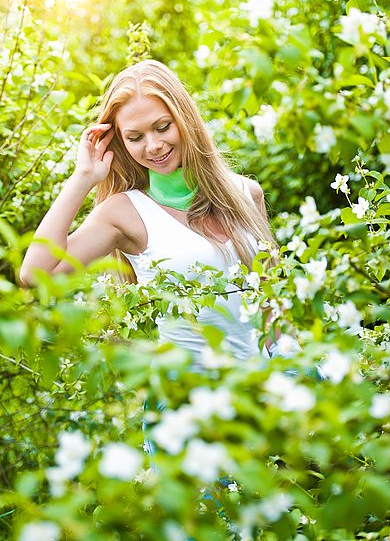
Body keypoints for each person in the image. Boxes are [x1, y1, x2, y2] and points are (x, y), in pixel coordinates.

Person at [20, 60, 282, 455]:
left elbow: (273, 305)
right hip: (185, 414)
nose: (154, 146)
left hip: (266, 400)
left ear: (185, 119)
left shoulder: (245, 193)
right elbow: (36, 274)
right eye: (135, 137)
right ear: (119, 143)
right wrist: (82, 179)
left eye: (163, 127)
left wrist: (293, 380)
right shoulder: (125, 212)